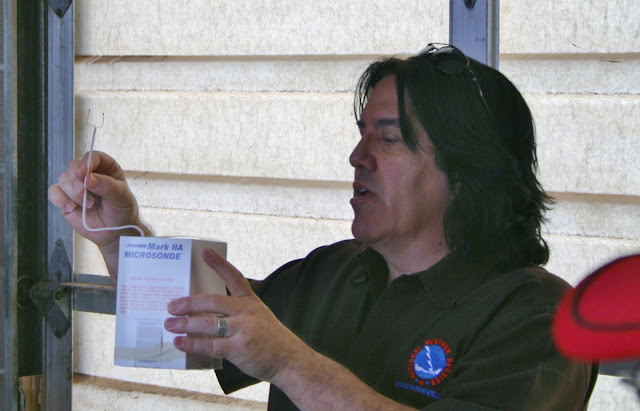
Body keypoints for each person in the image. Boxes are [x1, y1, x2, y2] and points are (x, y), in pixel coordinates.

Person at [49, 44, 597, 410]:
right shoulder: (335, 271)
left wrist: (289, 361)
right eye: (362, 134)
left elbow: (275, 352)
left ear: (469, 171)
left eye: (388, 139)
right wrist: (119, 235)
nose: (357, 157)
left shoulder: (540, 316)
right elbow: (178, 329)